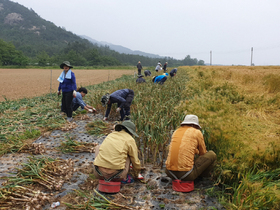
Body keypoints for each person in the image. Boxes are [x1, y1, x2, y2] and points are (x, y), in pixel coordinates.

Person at [165, 115, 217, 182]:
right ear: (193, 125)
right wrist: (197, 151)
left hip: (169, 172)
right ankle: (201, 177)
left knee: (168, 147)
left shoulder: (176, 131)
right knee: (212, 154)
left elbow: (182, 148)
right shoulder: (197, 132)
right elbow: (203, 153)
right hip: (187, 175)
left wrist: (194, 150)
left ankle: (175, 176)